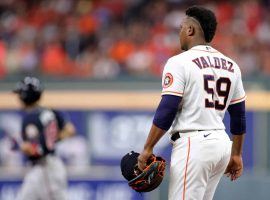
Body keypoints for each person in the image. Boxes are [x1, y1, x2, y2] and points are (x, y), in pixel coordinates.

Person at [137, 6, 246, 200]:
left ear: (190, 30)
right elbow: (238, 115)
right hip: (221, 145)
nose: (179, 32)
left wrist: (148, 147)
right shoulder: (232, 66)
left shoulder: (179, 62)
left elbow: (168, 108)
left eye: (181, 27)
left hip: (194, 145)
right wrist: (236, 154)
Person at [13, 76, 75, 200]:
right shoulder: (50, 112)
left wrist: (20, 146)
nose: (18, 97)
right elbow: (70, 130)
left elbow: (35, 149)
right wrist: (51, 140)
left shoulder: (30, 118)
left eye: (20, 94)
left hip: (44, 168)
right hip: (49, 165)